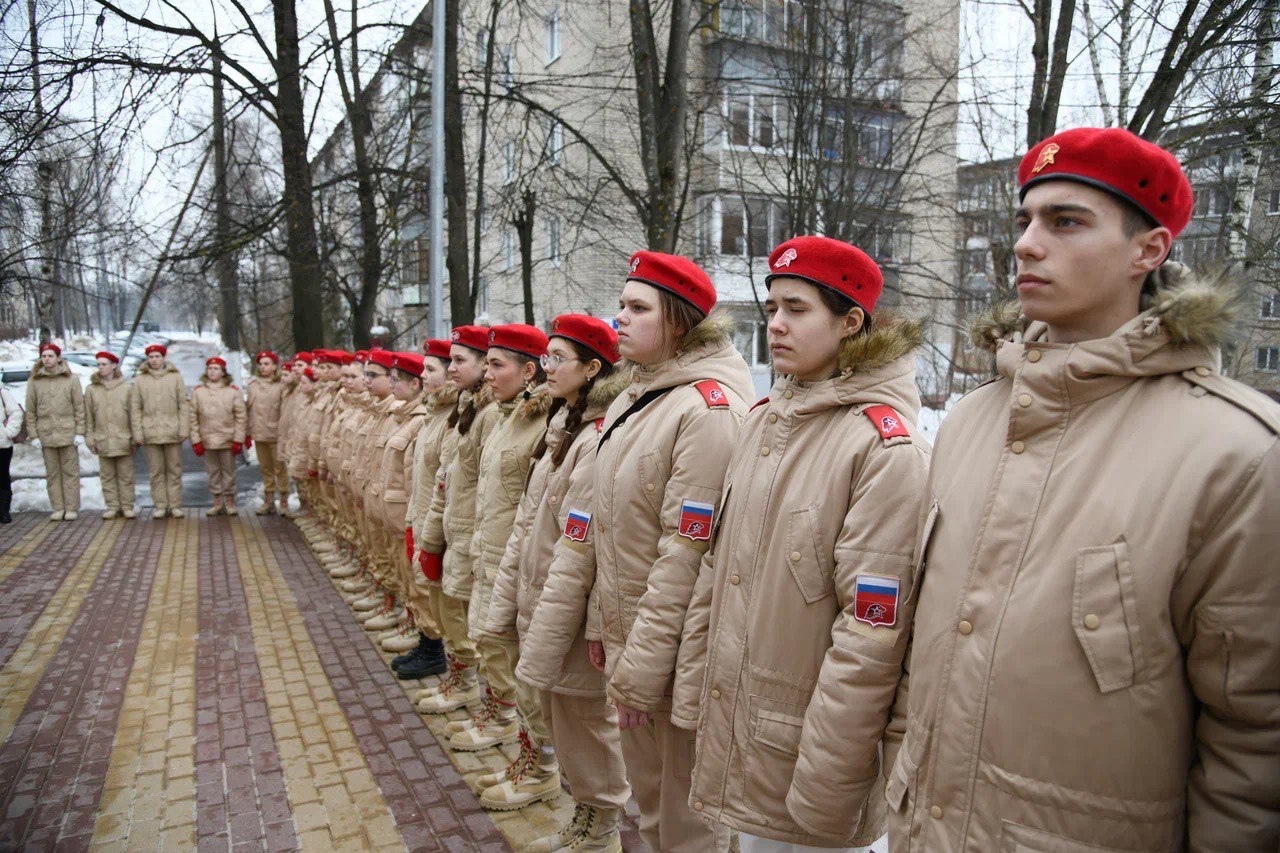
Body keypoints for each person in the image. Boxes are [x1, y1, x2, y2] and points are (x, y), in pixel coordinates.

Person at [891, 128, 1280, 852]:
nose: (1027, 244)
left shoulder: (1238, 453)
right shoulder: (972, 421)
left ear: (1148, 250)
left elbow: (1253, 743)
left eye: (1066, 221)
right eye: (1025, 220)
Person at [675, 237, 929, 853]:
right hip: (744, 728)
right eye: (771, 308)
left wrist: (829, 781)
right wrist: (693, 691)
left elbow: (871, 638)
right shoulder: (766, 420)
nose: (777, 325)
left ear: (850, 323)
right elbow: (720, 568)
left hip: (807, 752)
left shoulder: (883, 449)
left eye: (797, 309)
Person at [589, 251, 753, 853]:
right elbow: (613, 534)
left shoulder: (705, 411)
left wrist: (641, 671)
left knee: (687, 822)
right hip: (639, 645)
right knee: (653, 805)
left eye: (637, 308)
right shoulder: (644, 398)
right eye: (620, 306)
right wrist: (605, 627)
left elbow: (685, 560)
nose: (618, 320)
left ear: (679, 323)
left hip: (676, 658)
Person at [485, 315, 632, 842]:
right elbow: (528, 524)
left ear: (593, 368)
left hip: (570, 609)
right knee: (564, 720)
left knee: (586, 723)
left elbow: (583, 544)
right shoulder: (562, 427)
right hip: (543, 598)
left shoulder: (597, 437)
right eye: (544, 358)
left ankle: (601, 826)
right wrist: (507, 605)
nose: (545, 368)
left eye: (556, 359)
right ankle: (586, 815)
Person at [444, 324, 550, 757]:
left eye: (496, 365)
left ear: (529, 372)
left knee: (520, 664)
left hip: (518, 565)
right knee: (491, 646)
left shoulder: (540, 423)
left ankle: (539, 758)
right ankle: (504, 718)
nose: (487, 375)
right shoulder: (505, 419)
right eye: (485, 364)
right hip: (489, 555)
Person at [417, 325, 492, 716]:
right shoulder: (465, 407)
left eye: (459, 361)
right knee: (448, 614)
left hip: (468, 536)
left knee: (468, 624)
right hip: (450, 529)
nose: (449, 369)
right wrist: (430, 537)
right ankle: (462, 682)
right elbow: (446, 479)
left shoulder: (489, 414)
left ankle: (481, 698)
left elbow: (486, 489)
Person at [398, 339, 457, 680]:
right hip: (422, 518)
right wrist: (411, 522)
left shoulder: (451, 419)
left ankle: (439, 655)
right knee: (425, 594)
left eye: (430, 369)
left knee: (448, 611)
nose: (423, 375)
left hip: (443, 528)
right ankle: (429, 645)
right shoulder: (434, 416)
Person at [26, 342, 85, 521]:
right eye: (44, 356)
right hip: (46, 434)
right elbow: (31, 410)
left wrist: (80, 431)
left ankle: (71, 507)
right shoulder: (35, 381)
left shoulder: (71, 379)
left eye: (50, 356)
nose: (47, 359)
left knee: (70, 473)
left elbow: (79, 408)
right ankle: (58, 507)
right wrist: (34, 435)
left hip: (67, 433)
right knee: (52, 473)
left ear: (59, 358)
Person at [131, 343, 189, 519]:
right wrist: (138, 433)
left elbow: (182, 405)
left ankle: (175, 504)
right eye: (151, 357)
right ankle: (161, 505)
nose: (154, 360)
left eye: (157, 356)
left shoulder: (175, 377)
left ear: (164, 358)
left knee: (174, 470)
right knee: (156, 471)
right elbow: (136, 408)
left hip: (172, 431)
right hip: (151, 432)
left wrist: (183, 428)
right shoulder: (141, 380)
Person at [84, 351, 138, 519]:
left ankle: (127, 505)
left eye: (104, 364)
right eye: (98, 364)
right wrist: (90, 437)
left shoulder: (126, 388)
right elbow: (89, 416)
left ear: (114, 365)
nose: (101, 367)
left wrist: (135, 437)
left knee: (125, 475)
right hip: (103, 439)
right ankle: (112, 506)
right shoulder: (92, 389)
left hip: (123, 438)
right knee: (107, 476)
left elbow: (133, 414)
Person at [190, 356, 246, 516]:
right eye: (210, 368)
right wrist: (196, 440)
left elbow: (241, 417)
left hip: (227, 438)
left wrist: (238, 439)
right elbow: (193, 417)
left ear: (223, 372)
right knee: (212, 471)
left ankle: (229, 500)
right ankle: (217, 501)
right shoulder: (199, 392)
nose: (212, 371)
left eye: (216, 368)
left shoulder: (232, 392)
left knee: (229, 471)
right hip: (207, 439)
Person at [246, 350, 288, 515]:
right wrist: (248, 432)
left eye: (267, 364)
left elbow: (285, 411)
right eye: (261, 364)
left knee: (280, 469)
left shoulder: (281, 385)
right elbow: (249, 410)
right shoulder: (253, 386)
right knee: (266, 469)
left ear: (274, 366)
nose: (263, 367)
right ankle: (269, 500)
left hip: (276, 434)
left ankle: (284, 500)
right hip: (259, 433)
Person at [0, 380, 23, 523]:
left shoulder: (3, 393)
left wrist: (8, 433)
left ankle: (3, 511)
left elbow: (16, 413)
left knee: (2, 477)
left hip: (2, 444)